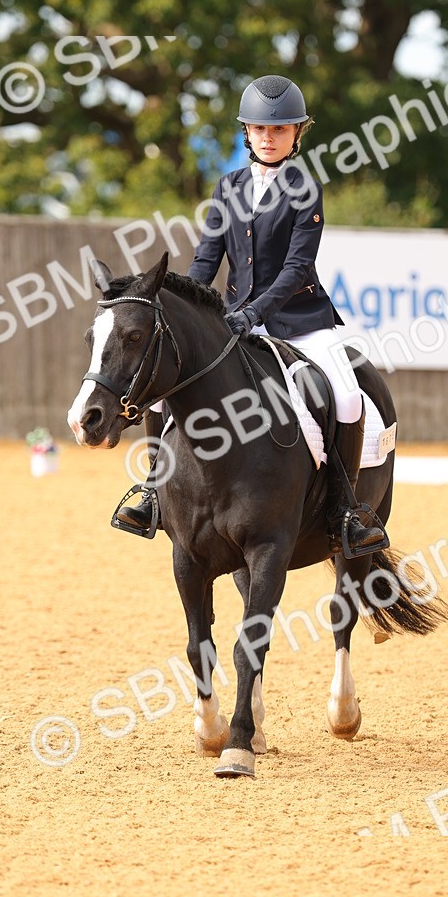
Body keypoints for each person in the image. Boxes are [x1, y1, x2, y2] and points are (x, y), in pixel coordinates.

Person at [115, 73, 387, 557]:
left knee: (347, 396)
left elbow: (297, 266)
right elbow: (206, 258)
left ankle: (347, 510)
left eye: (279, 130)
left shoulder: (306, 188)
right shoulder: (228, 186)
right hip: (232, 319)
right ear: (247, 132)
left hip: (300, 321)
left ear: (297, 133)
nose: (269, 137)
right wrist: (189, 305)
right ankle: (154, 494)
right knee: (160, 389)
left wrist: (253, 313)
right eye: (261, 129)